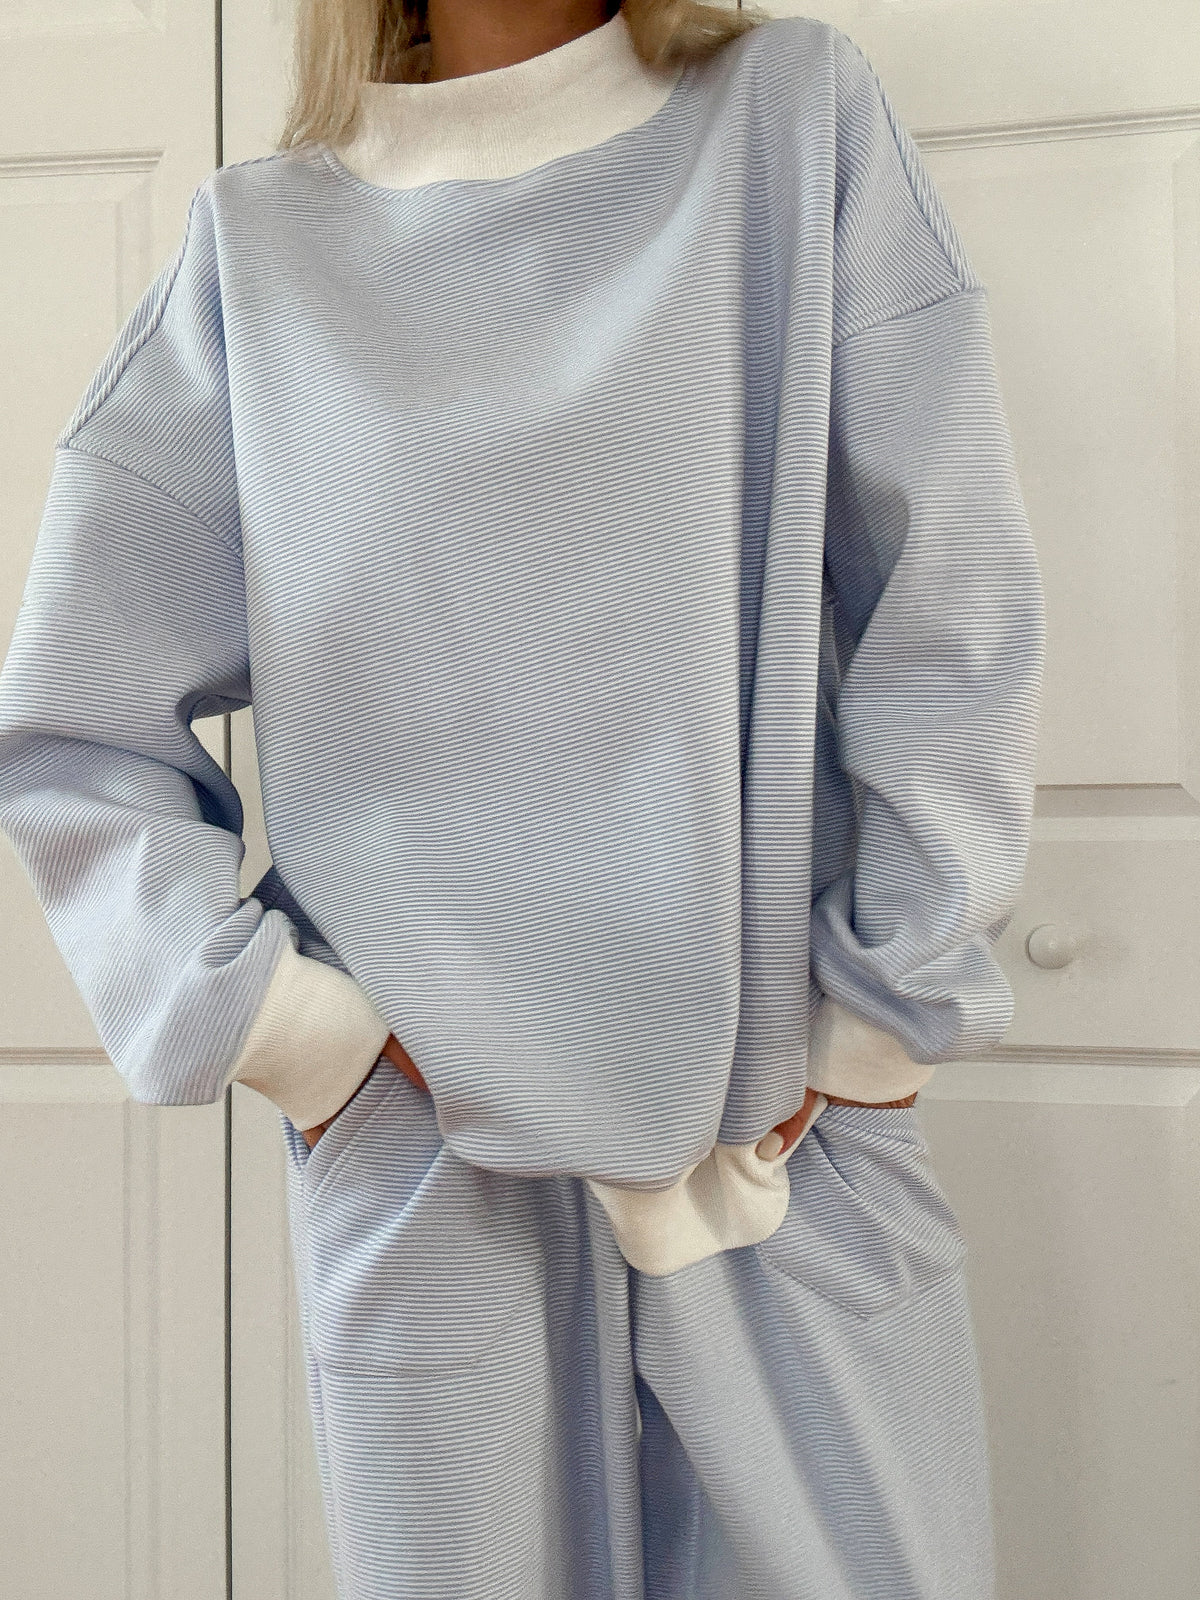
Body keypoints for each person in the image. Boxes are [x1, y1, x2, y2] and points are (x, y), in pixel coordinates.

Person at [0, 0, 1046, 1593]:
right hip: (433, 1175)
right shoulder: (259, 254)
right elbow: (75, 729)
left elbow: (947, 594)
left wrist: (881, 1028)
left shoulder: (793, 125)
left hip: (784, 1143)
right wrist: (301, 1042)